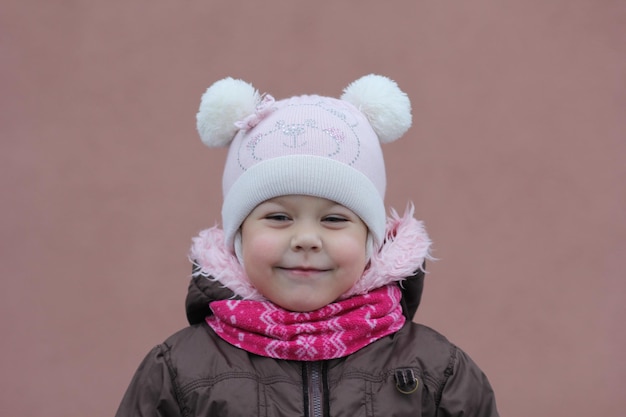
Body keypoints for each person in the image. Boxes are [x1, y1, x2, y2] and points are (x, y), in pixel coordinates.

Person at [115, 74, 499, 416]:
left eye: (334, 219)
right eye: (279, 217)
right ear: (238, 238)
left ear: (371, 242)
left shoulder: (436, 371)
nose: (305, 240)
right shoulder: (179, 372)